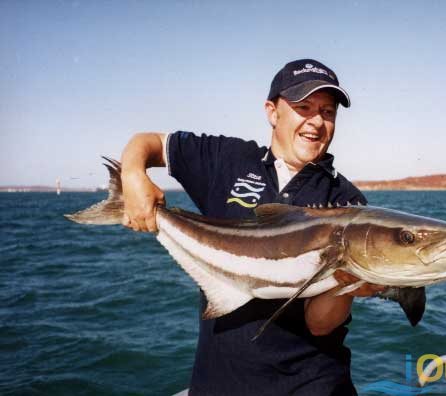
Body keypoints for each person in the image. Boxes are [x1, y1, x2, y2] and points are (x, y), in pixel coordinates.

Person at [120, 59, 385, 395]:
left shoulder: (348, 203)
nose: (316, 122)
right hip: (217, 384)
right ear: (272, 112)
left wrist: (348, 284)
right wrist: (132, 177)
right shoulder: (226, 159)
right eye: (304, 107)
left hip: (311, 386)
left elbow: (320, 325)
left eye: (328, 112)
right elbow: (149, 143)